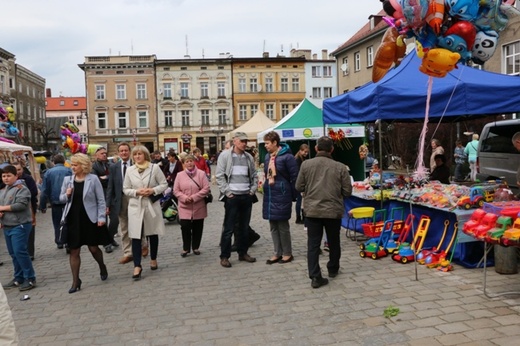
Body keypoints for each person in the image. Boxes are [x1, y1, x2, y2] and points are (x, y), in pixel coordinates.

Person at [295, 136, 352, 289]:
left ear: (316, 148)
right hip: (333, 211)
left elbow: (298, 186)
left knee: (313, 244)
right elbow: (347, 191)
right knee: (334, 241)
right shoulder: (340, 167)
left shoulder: (306, 165)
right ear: (332, 149)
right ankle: (333, 268)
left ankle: (315, 276)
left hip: (312, 211)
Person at [60, 154, 111, 293]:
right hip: (73, 219)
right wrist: (67, 194)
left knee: (93, 248)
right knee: (74, 250)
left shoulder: (93, 179)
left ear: (83, 165)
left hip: (89, 218)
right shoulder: (68, 180)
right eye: (72, 165)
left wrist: (101, 217)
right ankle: (76, 281)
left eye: (75, 165)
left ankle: (102, 266)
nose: (73, 167)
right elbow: (61, 198)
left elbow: (101, 200)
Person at [123, 145, 168, 280]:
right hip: (135, 206)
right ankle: (137, 265)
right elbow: (125, 189)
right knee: (135, 235)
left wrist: (152, 190)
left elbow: (164, 184)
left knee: (152, 233)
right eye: (135, 154)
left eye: (140, 154)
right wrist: (137, 192)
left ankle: (153, 258)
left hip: (151, 205)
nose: (137, 156)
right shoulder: (130, 170)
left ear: (145, 155)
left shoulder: (154, 168)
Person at [216, 131, 258, 268]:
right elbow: (220, 175)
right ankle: (224, 256)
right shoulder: (225, 156)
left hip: (246, 195)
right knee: (229, 227)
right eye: (242, 141)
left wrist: (252, 190)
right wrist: (227, 192)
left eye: (246, 141)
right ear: (235, 141)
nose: (245, 144)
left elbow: (254, 174)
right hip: (232, 196)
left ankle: (243, 252)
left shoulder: (248, 157)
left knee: (244, 227)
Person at [106, 142, 148, 264]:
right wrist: (108, 204)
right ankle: (128, 252)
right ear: (118, 153)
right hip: (121, 200)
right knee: (124, 227)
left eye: (126, 150)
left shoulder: (137, 165)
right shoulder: (114, 167)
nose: (124, 153)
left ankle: (143, 245)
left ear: (129, 152)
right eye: (121, 151)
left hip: (135, 197)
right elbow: (110, 187)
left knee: (139, 223)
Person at [262, 131, 298, 265]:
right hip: (270, 194)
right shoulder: (267, 157)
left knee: (283, 225)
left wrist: (294, 195)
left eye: (267, 143)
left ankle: (287, 253)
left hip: (282, 194)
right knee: (273, 225)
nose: (265, 146)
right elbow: (267, 174)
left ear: (275, 143)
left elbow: (295, 176)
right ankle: (277, 252)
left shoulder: (288, 157)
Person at [0, 165, 37, 292]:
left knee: (20, 251)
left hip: (20, 225)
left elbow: (21, 205)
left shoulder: (22, 189)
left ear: (16, 176)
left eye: (9, 175)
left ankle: (30, 277)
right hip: (7, 226)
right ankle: (18, 277)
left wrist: (2, 208)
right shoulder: (3, 190)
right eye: (4, 176)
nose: (6, 178)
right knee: (13, 253)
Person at [174, 154, 210, 257]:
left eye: (191, 161)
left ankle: (195, 247)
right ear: (184, 164)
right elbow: (176, 190)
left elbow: (206, 188)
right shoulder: (179, 175)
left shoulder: (201, 174)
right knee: (185, 227)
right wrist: (185, 198)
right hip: (184, 206)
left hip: (198, 205)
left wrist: (194, 197)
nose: (189, 163)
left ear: (194, 162)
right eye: (187, 161)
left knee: (197, 227)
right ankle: (186, 248)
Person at [39, 154, 72, 250]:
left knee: (57, 222)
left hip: (55, 201)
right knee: (68, 221)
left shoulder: (48, 172)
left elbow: (44, 190)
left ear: (53, 162)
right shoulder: (69, 171)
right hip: (68, 200)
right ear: (64, 161)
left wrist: (43, 205)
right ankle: (68, 242)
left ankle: (60, 241)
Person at [91, 146, 119, 253]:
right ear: (96, 155)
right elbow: (96, 181)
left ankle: (110, 238)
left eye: (105, 153)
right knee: (103, 221)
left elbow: (115, 178)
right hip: (100, 197)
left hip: (112, 196)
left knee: (115, 220)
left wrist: (106, 178)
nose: (104, 155)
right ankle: (106, 243)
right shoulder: (94, 167)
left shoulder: (110, 165)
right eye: (101, 153)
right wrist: (106, 178)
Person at [13, 161, 38, 261]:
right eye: (15, 170)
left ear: (22, 169)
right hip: (14, 210)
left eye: (19, 169)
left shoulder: (28, 178)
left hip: (30, 206)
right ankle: (21, 251)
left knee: (30, 229)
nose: (18, 172)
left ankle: (30, 252)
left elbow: (34, 192)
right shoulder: (9, 180)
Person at [294, 143, 309, 224]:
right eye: (305, 152)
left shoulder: (300, 158)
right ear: (300, 151)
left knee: (300, 201)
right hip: (299, 183)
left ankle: (300, 217)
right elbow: (298, 173)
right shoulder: (298, 160)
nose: (306, 154)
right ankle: (298, 217)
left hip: (298, 182)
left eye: (307, 152)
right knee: (300, 201)